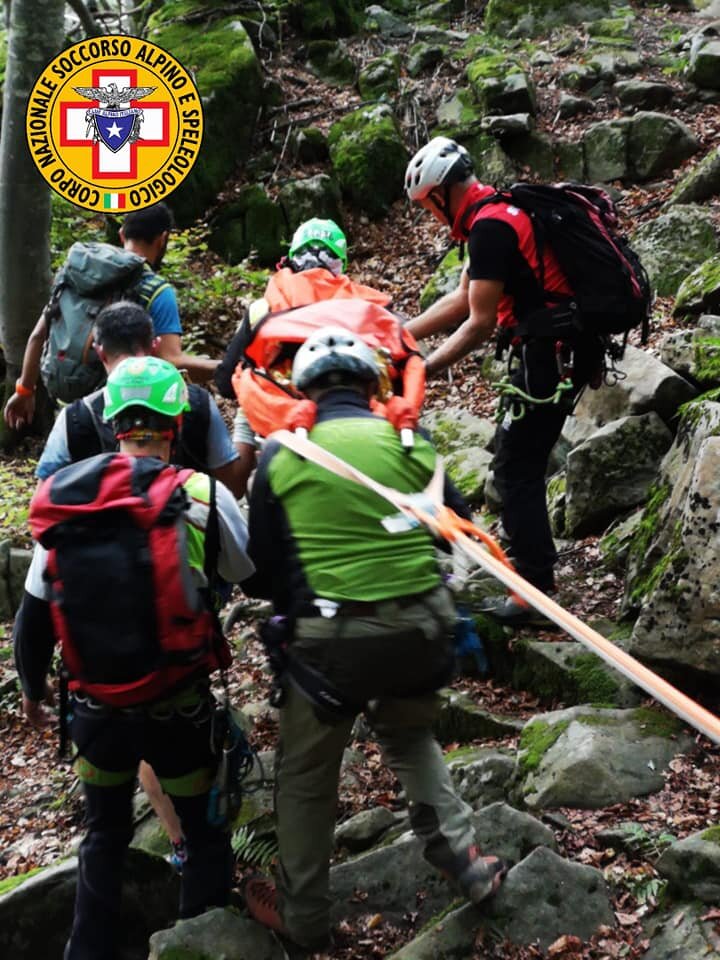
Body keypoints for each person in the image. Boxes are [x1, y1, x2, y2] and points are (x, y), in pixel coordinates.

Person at [241, 327, 506, 953]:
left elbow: (261, 569)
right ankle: (464, 856)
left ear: (303, 391)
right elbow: (455, 531)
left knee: (305, 777)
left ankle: (305, 917)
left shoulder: (282, 454)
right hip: (422, 630)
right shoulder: (412, 441)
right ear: (372, 386)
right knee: (410, 735)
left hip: (330, 647)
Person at [14, 356, 254, 960]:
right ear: (177, 423)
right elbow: (249, 572)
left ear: (113, 424)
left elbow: (33, 618)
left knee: (104, 835)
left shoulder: (69, 502)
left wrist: (33, 691)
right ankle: (194, 944)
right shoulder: (201, 495)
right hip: (179, 707)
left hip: (96, 711)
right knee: (202, 834)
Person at [404, 136, 604, 624]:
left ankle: (534, 589)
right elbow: (462, 299)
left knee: (515, 468)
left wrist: (424, 368)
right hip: (555, 349)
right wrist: (402, 334)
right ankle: (532, 570)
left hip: (549, 355)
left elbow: (479, 322)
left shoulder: (490, 227)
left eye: (427, 205)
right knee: (517, 460)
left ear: (441, 194)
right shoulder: (495, 213)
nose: (431, 215)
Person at [214, 217, 392, 492]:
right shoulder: (365, 307)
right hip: (355, 407)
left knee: (246, 384)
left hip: (279, 413)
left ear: (291, 259)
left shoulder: (263, 309)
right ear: (340, 263)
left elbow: (225, 384)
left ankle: (233, 489)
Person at [4, 202, 217, 431]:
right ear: (162, 239)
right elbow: (171, 362)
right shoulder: (155, 289)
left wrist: (24, 391)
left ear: (122, 234)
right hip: (119, 416)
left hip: (67, 413)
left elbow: (38, 336)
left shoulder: (75, 272)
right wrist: (225, 367)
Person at [35, 300, 248, 498]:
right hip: (186, 520)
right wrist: (245, 421)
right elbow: (233, 487)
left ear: (100, 352)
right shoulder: (197, 402)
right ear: (155, 345)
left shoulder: (75, 418)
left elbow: (42, 499)